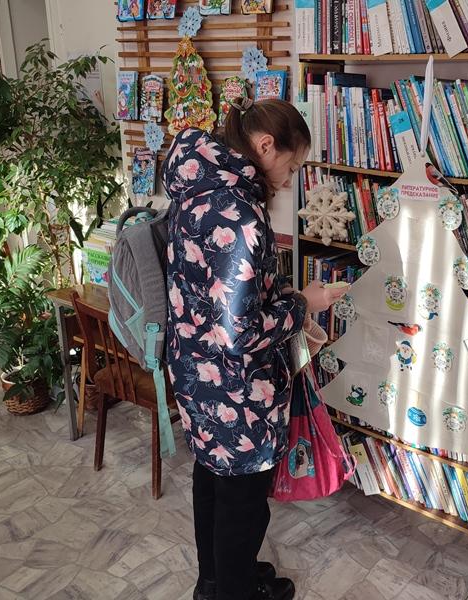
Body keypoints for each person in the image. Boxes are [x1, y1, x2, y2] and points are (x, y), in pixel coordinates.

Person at [163, 98, 347, 600]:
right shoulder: (240, 216)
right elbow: (240, 333)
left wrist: (281, 295)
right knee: (243, 503)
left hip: (194, 368)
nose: (289, 179)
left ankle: (215, 581)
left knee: (211, 478)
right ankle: (233, 590)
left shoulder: (196, 185)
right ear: (266, 146)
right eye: (292, 164)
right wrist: (303, 304)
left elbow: (216, 297)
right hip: (236, 388)